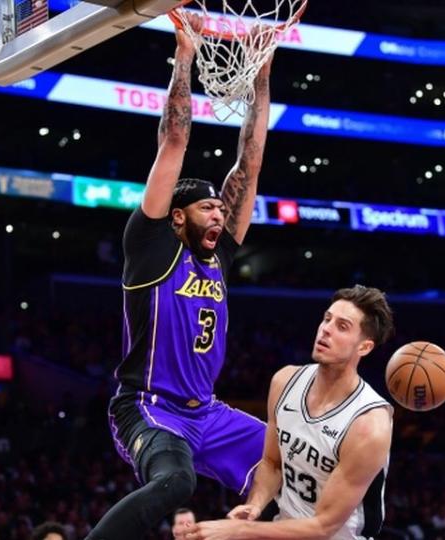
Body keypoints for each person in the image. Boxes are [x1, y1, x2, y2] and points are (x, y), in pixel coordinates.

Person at [85, 14, 274, 540]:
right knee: (177, 483)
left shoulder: (221, 256)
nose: (218, 215)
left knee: (297, 460)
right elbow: (174, 139)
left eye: (221, 207)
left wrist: (262, 73)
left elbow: (250, 163)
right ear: (177, 216)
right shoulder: (150, 247)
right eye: (207, 207)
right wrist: (185, 55)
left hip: (209, 413)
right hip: (147, 407)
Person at [189, 285, 394, 540]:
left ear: (364, 347)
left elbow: (324, 527)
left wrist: (242, 530)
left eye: (342, 327)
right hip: (282, 530)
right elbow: (273, 464)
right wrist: (255, 506)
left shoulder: (369, 425)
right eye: (327, 318)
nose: (326, 329)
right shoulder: (285, 382)